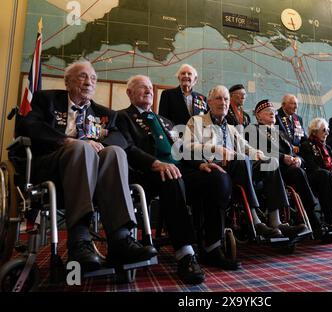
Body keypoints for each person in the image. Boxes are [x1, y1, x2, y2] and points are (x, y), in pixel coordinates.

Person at [16, 60, 156, 272]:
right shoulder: (46, 100)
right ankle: (79, 240)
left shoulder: (106, 113)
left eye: (93, 78)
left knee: (115, 152)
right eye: (82, 76)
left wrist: (99, 146)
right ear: (67, 81)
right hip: (53, 166)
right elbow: (29, 125)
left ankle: (120, 240)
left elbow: (120, 139)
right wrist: (66, 141)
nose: (89, 82)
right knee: (81, 148)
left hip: (96, 173)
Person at [117, 75, 240, 284]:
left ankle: (212, 246)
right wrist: (155, 163)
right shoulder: (121, 117)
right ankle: (185, 253)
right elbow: (128, 148)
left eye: (150, 87)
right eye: (141, 87)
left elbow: (182, 150)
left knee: (217, 177)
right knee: (171, 176)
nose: (148, 90)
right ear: (129, 93)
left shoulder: (165, 121)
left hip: (183, 170)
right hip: (147, 174)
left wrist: (200, 164)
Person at [183, 86, 306, 239]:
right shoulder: (197, 121)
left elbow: (246, 147)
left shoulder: (230, 128)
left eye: (226, 99)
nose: (223, 102)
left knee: (271, 162)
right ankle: (255, 221)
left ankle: (276, 221)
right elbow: (188, 147)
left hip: (239, 166)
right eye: (218, 98)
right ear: (209, 102)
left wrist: (258, 153)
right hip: (215, 167)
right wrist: (217, 149)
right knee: (241, 159)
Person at [252, 99, 321, 235]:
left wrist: (298, 160)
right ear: (258, 116)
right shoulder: (253, 130)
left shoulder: (281, 133)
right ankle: (313, 215)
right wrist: (284, 158)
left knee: (301, 170)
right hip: (268, 170)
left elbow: (295, 153)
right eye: (267, 112)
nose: (272, 114)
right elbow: (260, 152)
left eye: (273, 112)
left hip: (288, 170)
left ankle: (312, 215)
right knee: (295, 172)